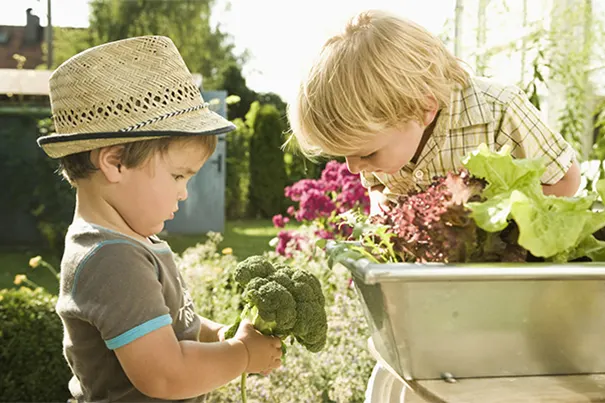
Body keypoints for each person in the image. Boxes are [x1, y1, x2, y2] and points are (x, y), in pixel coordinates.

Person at [37, 36, 282, 402]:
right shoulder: (111, 259)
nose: (184, 192)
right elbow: (166, 375)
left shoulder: (133, 240)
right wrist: (242, 355)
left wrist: (220, 335)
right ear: (115, 162)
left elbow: (174, 330)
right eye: (178, 176)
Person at [287, 10, 581, 216]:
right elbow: (377, 187)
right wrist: (379, 206)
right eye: (345, 156)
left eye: (366, 154)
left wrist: (491, 213)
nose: (353, 168)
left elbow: (566, 179)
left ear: (423, 109)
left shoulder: (500, 112)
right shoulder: (381, 144)